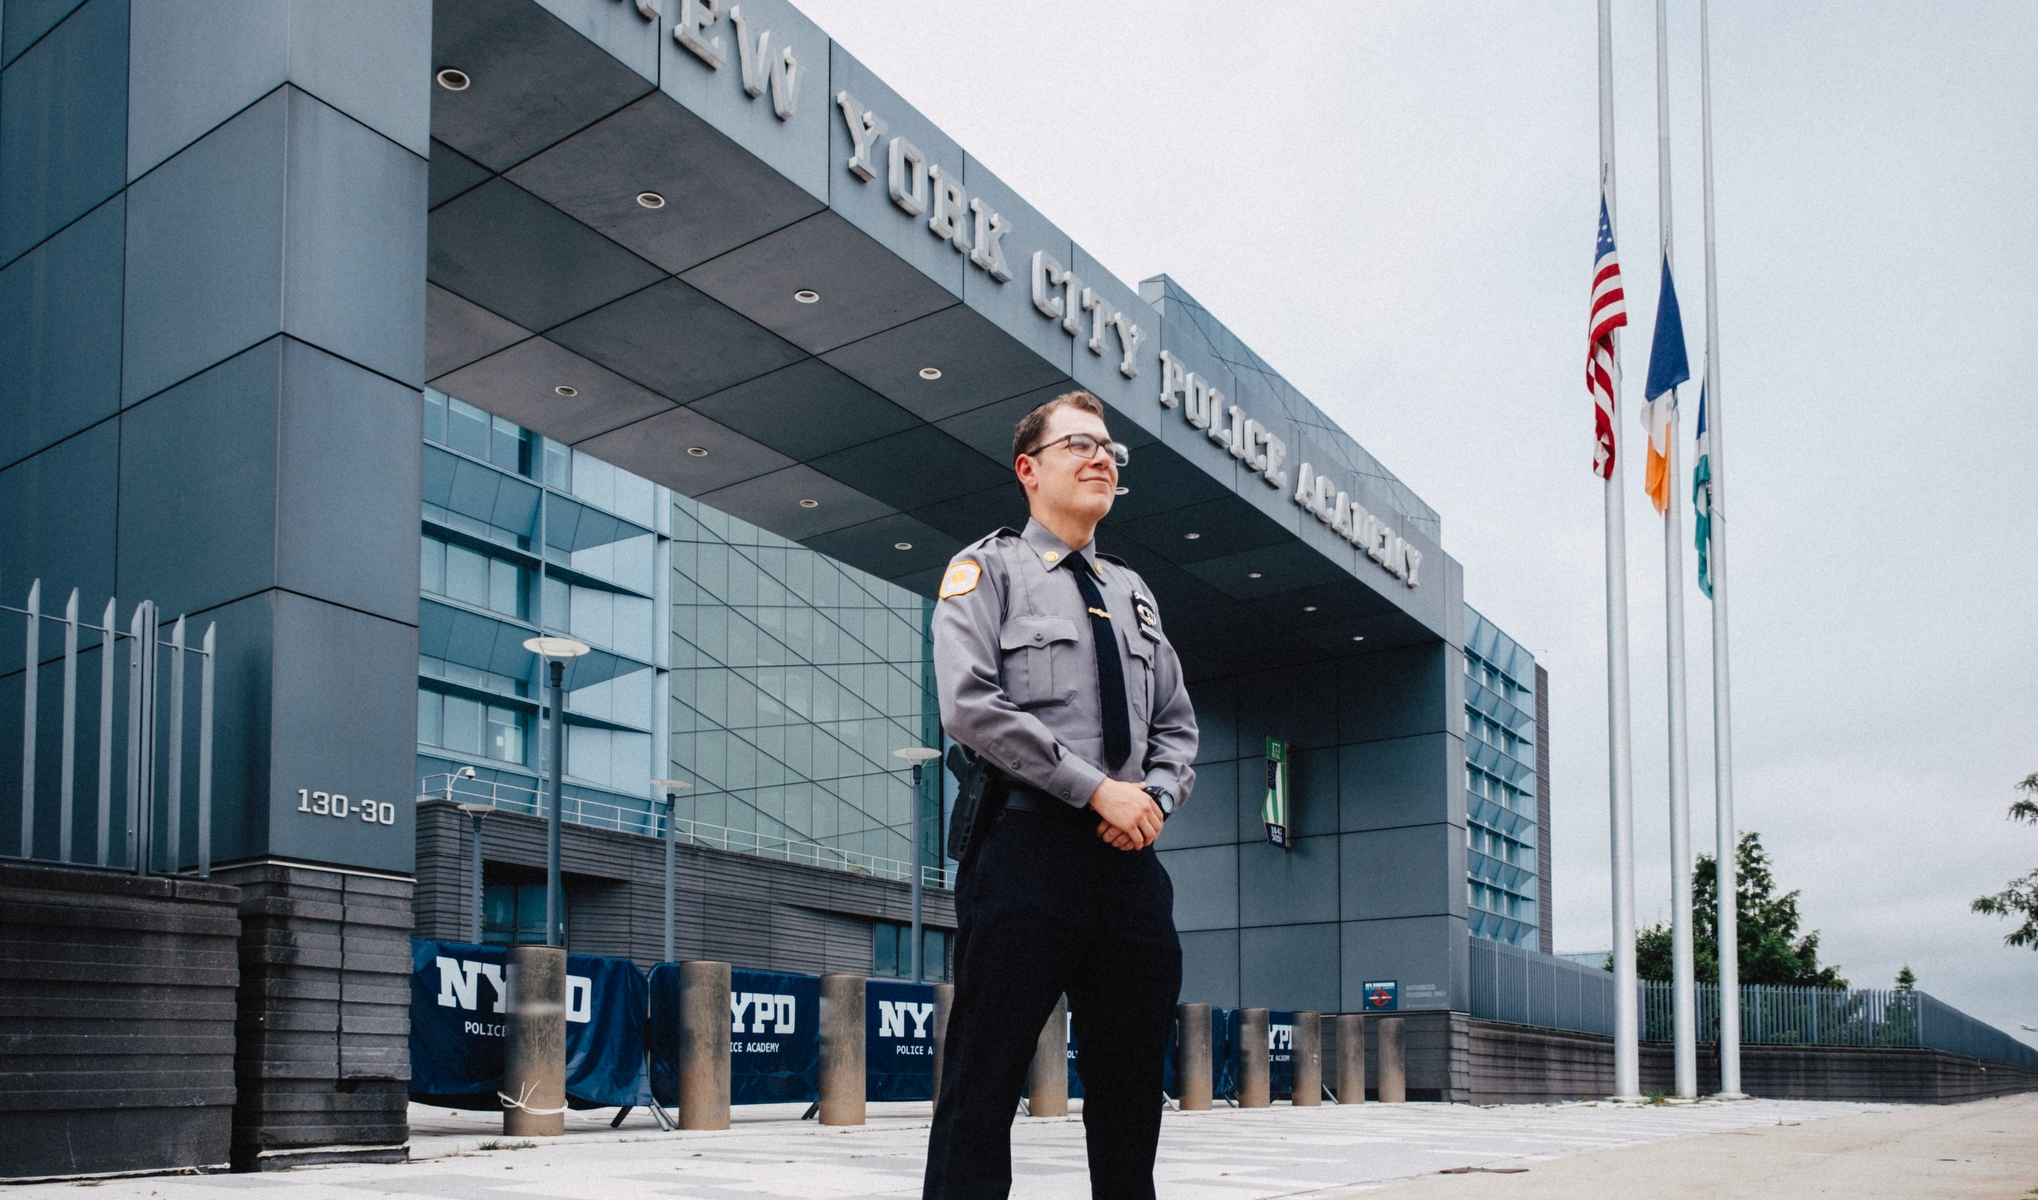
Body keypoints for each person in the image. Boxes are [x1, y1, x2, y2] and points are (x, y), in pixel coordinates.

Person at [922, 390, 1198, 1200]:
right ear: (1028, 469)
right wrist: (1095, 792)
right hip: (1025, 853)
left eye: (1111, 448)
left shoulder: (1133, 590)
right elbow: (969, 705)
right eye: (1078, 443)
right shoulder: (989, 570)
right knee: (983, 1080)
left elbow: (1177, 723)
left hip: (1129, 864)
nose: (1101, 457)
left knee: (1129, 1092)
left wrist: (1151, 799)